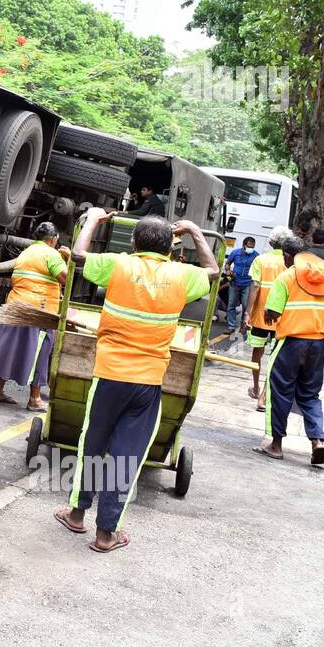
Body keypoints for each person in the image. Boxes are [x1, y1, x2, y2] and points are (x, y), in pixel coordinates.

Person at [54, 210, 217, 552]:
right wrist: (195, 231)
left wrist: (94, 221)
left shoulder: (118, 265)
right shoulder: (181, 275)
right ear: (171, 247)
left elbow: (79, 256)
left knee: (93, 445)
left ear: (133, 242)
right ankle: (105, 534)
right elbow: (213, 272)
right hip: (147, 384)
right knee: (125, 458)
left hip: (109, 376)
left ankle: (77, 515)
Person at [253, 237, 324, 465]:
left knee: (280, 392)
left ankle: (276, 445)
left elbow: (271, 313)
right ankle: (318, 442)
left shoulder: (286, 277)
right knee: (310, 395)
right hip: (318, 345)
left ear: (287, 256)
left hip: (291, 343)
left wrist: (276, 315)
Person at [0, 222, 68, 410]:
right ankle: (35, 399)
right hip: (38, 312)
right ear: (53, 240)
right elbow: (65, 278)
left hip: (17, 307)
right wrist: (67, 259)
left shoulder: (26, 253)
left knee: (12, 350)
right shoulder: (51, 253)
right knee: (40, 352)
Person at [245, 226, 293, 407]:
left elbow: (255, 286)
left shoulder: (260, 259)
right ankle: (264, 395)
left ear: (272, 242)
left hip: (260, 316)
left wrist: (248, 312)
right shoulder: (289, 261)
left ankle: (256, 386)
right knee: (275, 357)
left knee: (257, 352)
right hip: (281, 317)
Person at [223, 236, 259, 333]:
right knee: (231, 305)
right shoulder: (235, 253)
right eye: (249, 247)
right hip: (234, 283)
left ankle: (244, 325)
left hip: (248, 284)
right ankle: (231, 326)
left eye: (252, 247)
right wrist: (227, 270)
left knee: (246, 305)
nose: (250, 249)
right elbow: (228, 263)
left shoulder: (256, 256)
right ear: (243, 245)